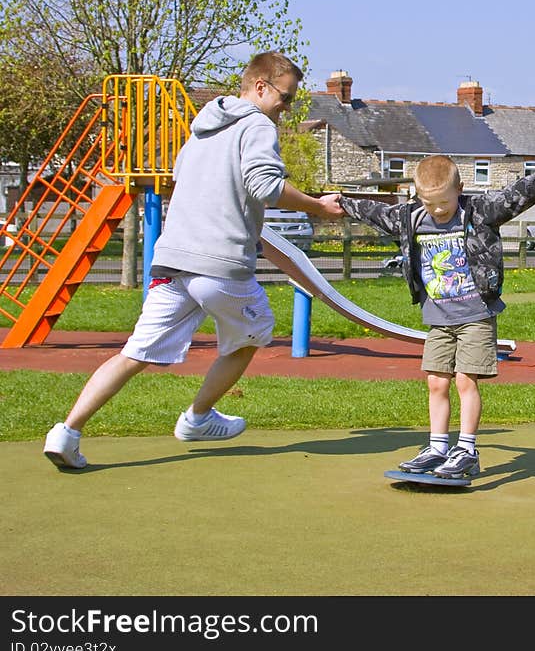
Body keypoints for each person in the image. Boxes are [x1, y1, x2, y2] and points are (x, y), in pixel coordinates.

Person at [43, 51, 344, 469]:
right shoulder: (256, 124)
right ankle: (198, 417)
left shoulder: (201, 127)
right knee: (253, 334)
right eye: (286, 97)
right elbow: (266, 187)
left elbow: (184, 180)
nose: (286, 109)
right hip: (220, 263)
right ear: (260, 87)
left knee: (135, 354)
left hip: (172, 259)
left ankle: (67, 432)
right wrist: (317, 206)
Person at [339, 155, 535, 479]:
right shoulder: (411, 218)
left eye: (444, 202)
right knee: (435, 381)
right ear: (417, 196)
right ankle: (437, 447)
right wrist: (343, 203)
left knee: (464, 380)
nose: (438, 210)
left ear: (460, 188)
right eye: (430, 203)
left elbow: (517, 194)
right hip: (438, 319)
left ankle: (467, 450)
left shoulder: (479, 212)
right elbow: (376, 213)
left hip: (475, 315)